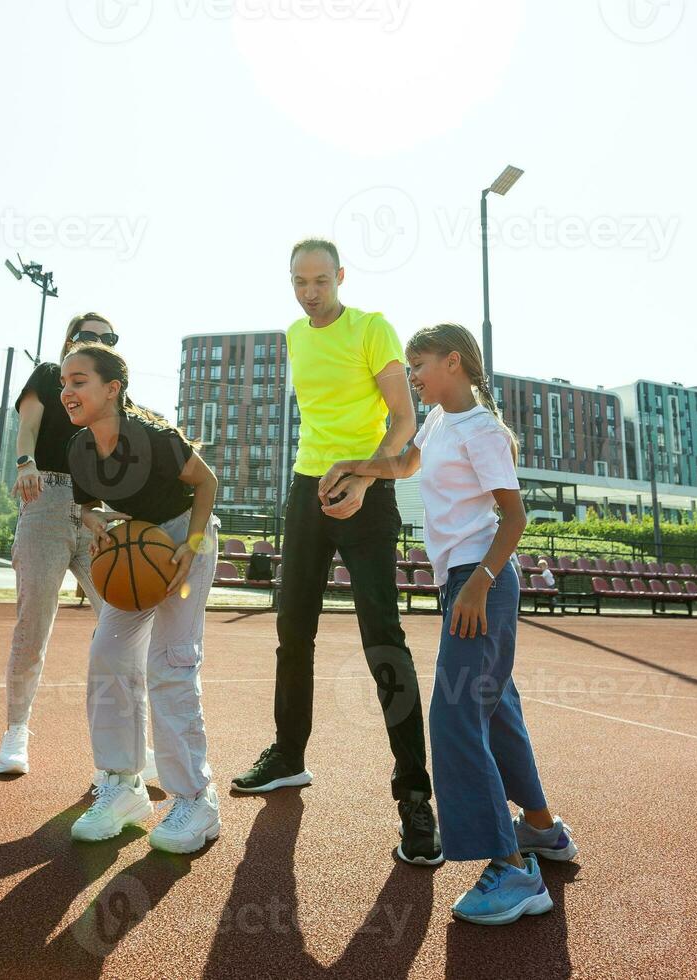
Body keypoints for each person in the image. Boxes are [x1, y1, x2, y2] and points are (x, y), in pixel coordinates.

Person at [321, 323, 578, 925]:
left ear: (454, 363)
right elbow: (408, 462)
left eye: (420, 364)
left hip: (479, 581)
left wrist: (480, 587)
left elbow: (513, 518)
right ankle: (543, 831)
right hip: (461, 583)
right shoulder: (439, 420)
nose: (412, 374)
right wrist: (357, 466)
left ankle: (514, 870)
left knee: (454, 713)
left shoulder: (482, 429)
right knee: (495, 707)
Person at [231, 238, 440, 866]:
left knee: (383, 637)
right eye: (300, 281)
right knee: (292, 630)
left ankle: (414, 799)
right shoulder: (295, 335)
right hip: (306, 487)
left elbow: (403, 419)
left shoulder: (373, 329)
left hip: (366, 489)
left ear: (341, 277)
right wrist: (325, 479)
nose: (310, 292)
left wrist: (367, 475)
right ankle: (288, 755)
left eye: (321, 280)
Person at [63, 343, 223, 853]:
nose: (67, 391)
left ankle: (196, 799)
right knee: (106, 653)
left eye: (79, 381)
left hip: (182, 539)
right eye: (64, 383)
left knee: (170, 664)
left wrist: (191, 548)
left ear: (112, 389)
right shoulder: (80, 449)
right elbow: (86, 505)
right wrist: (93, 520)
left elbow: (207, 483)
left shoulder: (153, 437)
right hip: (138, 548)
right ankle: (122, 785)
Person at [0, 313, 158, 783]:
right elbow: (27, 428)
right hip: (44, 499)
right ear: (70, 339)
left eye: (109, 338)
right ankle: (16, 732)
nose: (99, 342)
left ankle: (127, 749)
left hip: (95, 511)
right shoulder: (49, 376)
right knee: (33, 625)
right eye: (90, 335)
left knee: (122, 628)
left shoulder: (115, 394)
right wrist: (25, 463)